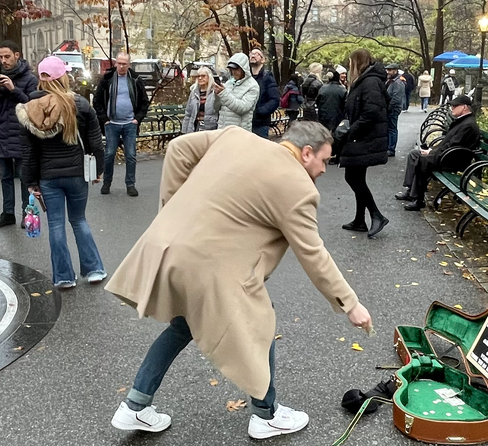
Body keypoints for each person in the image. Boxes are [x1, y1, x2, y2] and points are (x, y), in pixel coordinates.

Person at [106, 121, 373, 439]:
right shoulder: (297, 189)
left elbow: (177, 148)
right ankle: (266, 415)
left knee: (183, 326)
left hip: (170, 248)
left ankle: (135, 406)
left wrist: (172, 210)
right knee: (261, 320)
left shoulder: (235, 137)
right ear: (305, 153)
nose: (325, 170)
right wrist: (351, 304)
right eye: (325, 160)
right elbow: (314, 255)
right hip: (211, 271)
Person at [17, 57, 107, 289]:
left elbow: (29, 151)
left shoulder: (30, 109)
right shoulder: (79, 104)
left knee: (56, 225)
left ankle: (64, 277)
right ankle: (94, 269)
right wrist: (98, 169)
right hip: (77, 173)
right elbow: (95, 142)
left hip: (48, 176)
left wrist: (31, 181)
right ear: (62, 77)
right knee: (79, 220)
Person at [0, 40, 39, 229]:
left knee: (24, 177)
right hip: (0, 133)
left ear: (17, 55)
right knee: (5, 176)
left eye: (7, 56)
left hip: (20, 134)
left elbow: (32, 104)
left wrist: (14, 89)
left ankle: (26, 213)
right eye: (1, 57)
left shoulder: (29, 79)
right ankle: (7, 213)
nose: (3, 60)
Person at [396, 94, 480, 209]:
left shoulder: (468, 125)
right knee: (414, 154)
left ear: (464, 107)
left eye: (455, 106)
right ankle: (410, 190)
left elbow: (452, 146)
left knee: (421, 159)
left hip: (453, 160)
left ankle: (418, 200)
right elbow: (446, 143)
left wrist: (431, 154)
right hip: (447, 155)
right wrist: (431, 150)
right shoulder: (462, 121)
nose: (452, 108)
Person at [340, 50, 391, 238]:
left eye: (351, 62)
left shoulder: (369, 82)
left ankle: (376, 214)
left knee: (353, 178)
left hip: (364, 137)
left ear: (357, 62)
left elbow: (372, 112)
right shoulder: (366, 80)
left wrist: (351, 129)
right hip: (363, 136)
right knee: (357, 176)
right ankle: (360, 220)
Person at [93, 52, 150, 197]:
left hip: (130, 123)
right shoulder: (107, 79)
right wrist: (104, 119)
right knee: (109, 154)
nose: (122, 66)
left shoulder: (135, 79)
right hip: (112, 123)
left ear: (129, 65)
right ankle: (107, 183)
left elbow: (144, 101)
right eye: (119, 63)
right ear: (115, 63)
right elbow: (97, 101)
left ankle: (130, 184)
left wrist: (137, 118)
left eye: (125, 63)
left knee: (130, 155)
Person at [213, 53, 259, 131]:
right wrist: (217, 95)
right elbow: (216, 108)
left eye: (236, 69)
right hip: (222, 130)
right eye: (232, 69)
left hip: (239, 132)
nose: (234, 72)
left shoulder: (253, 86)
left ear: (244, 68)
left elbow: (242, 108)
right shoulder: (228, 83)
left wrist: (223, 94)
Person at [249, 48, 280, 139]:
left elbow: (275, 100)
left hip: (260, 124)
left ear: (263, 60)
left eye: (257, 54)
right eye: (251, 53)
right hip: (245, 122)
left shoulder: (267, 77)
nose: (253, 55)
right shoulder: (246, 77)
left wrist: (259, 112)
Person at [182, 67, 218, 134]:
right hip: (194, 127)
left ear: (209, 77)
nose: (200, 78)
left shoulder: (215, 92)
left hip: (210, 129)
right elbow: (188, 113)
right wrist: (184, 131)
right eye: (198, 76)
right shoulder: (193, 93)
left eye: (203, 76)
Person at [316, 70, 346, 135]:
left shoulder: (323, 88)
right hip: (338, 115)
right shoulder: (342, 90)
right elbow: (346, 104)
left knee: (324, 133)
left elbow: (318, 101)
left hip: (324, 115)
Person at [384, 63, 405, 158]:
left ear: (395, 71)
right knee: (390, 128)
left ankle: (391, 149)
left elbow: (396, 98)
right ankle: (389, 147)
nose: (387, 72)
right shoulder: (391, 81)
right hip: (390, 108)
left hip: (393, 109)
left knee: (392, 128)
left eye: (390, 70)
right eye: (387, 70)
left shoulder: (398, 82)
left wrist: (389, 108)